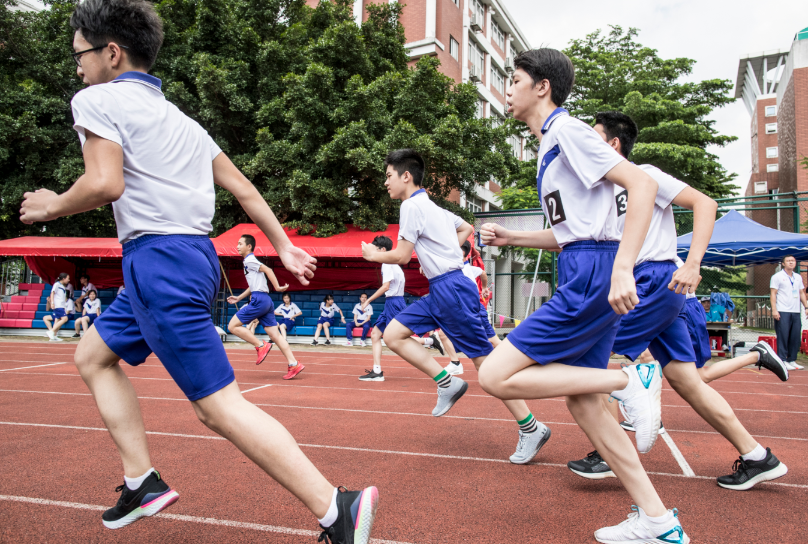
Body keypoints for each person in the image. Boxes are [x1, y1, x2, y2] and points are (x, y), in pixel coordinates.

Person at [19, 2, 378, 540]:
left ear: (111, 53)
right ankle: (141, 481)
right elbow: (244, 189)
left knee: (219, 408)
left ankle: (335, 507)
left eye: (80, 55)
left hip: (158, 261)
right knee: (92, 355)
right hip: (193, 258)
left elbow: (104, 184)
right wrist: (282, 245)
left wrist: (49, 206)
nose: (76, 67)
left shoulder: (95, 98)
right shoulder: (182, 121)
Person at [477, 50, 689, 542]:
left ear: (542, 86)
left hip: (594, 271)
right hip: (583, 263)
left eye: (514, 80)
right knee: (583, 401)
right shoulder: (553, 141)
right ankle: (658, 521)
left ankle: (628, 377)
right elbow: (574, 231)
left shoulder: (568, 131)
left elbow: (640, 184)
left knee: (494, 373)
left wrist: (621, 269)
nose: (507, 89)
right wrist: (515, 237)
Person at [564, 111, 788, 494]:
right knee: (689, 381)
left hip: (654, 281)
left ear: (612, 145)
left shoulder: (644, 174)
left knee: (590, 358)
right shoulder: (601, 191)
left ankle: (609, 447)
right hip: (650, 286)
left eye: (593, 138)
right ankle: (756, 456)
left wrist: (694, 264)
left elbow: (704, 204)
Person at [362, 149, 550, 465]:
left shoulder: (411, 206)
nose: (385, 182)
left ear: (406, 176)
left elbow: (401, 256)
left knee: (487, 366)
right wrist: (444, 257)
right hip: (444, 287)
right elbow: (465, 229)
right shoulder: (434, 207)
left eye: (389, 175)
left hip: (451, 289)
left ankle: (531, 427)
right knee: (393, 334)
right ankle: (447, 381)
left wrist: (373, 255)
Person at [227, 235, 303, 379]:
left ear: (249, 246)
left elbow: (268, 270)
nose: (237, 246)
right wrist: (239, 298)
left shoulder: (249, 260)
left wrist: (278, 287)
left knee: (232, 326)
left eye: (240, 243)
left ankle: (260, 345)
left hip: (259, 300)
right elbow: (253, 286)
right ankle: (294, 364)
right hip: (266, 300)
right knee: (276, 336)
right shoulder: (250, 262)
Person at [445, 241, 499, 376]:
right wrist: (484, 288)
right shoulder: (462, 267)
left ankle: (514, 361)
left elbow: (483, 273)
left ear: (462, 252)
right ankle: (455, 363)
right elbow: (482, 272)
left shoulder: (463, 268)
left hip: (474, 308)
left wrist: (484, 288)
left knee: (492, 340)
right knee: (442, 334)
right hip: (462, 309)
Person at [357, 236, 407, 381]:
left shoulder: (388, 263)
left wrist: (368, 301)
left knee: (398, 339)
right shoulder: (393, 264)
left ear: (383, 250)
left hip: (394, 302)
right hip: (392, 301)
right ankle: (377, 371)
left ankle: (430, 341)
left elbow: (386, 286)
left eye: (376, 249)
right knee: (375, 335)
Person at [771, 255, 807, 370]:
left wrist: (806, 306)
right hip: (783, 310)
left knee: (795, 336)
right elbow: (773, 294)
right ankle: (782, 360)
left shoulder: (798, 277)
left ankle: (792, 360)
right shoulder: (777, 277)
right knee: (783, 336)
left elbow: (801, 292)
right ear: (783, 263)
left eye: (793, 261)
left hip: (795, 311)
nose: (791, 263)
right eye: (788, 261)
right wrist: (774, 310)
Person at [43, 273, 71, 342]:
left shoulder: (62, 286)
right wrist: (52, 303)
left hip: (61, 306)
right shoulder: (57, 284)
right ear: (64, 278)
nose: (69, 280)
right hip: (58, 306)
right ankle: (51, 331)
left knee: (57, 321)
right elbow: (52, 293)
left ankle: (54, 336)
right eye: (68, 278)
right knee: (65, 319)